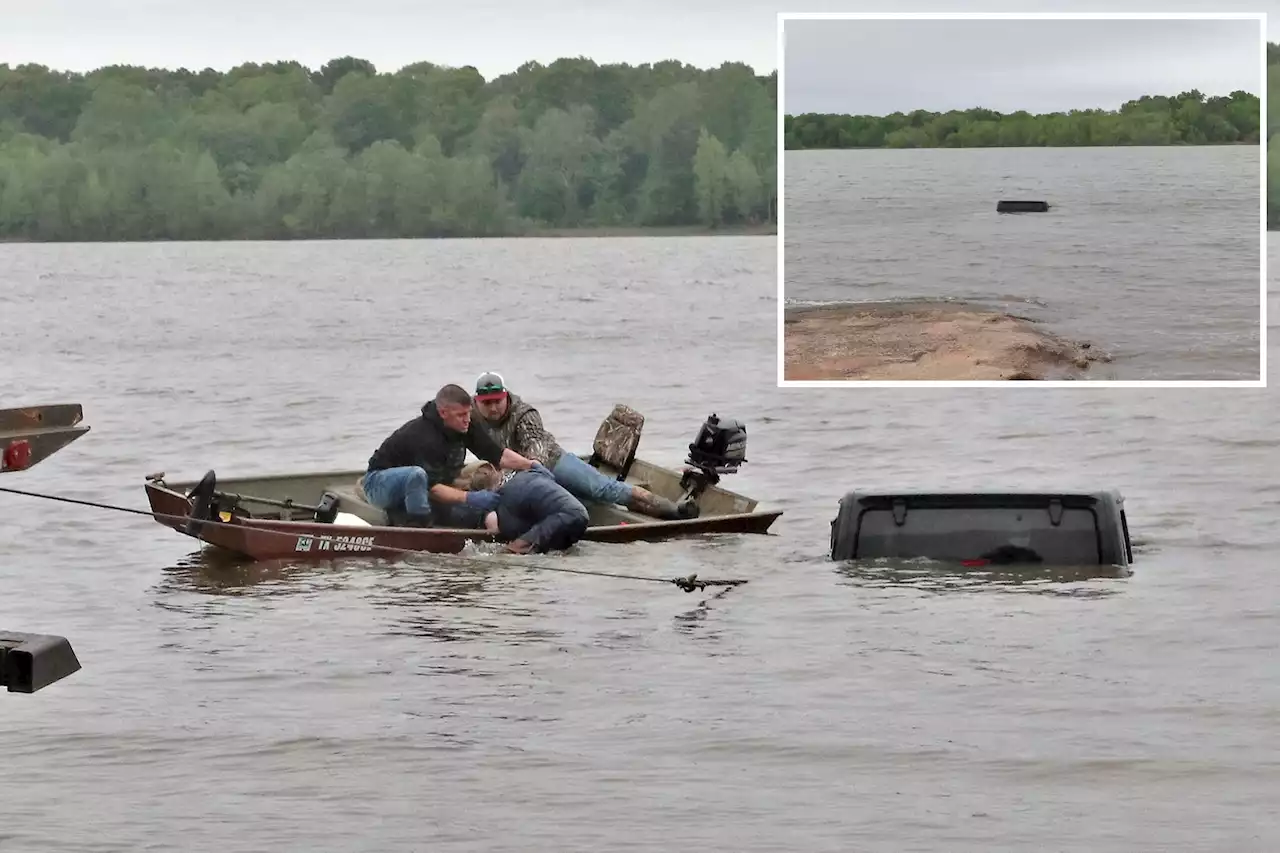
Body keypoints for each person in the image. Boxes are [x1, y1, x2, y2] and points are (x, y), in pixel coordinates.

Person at [470, 371, 693, 521]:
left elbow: (536, 452)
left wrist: (519, 475)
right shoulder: (469, 417)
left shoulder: (524, 414)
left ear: (506, 396)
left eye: (497, 401)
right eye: (486, 403)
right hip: (516, 476)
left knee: (602, 489)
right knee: (586, 503)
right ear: (476, 402)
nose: (493, 408)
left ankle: (672, 509)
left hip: (551, 462)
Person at [362, 384, 536, 528]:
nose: (467, 419)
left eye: (469, 413)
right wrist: (470, 498)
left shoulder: (466, 424)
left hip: (430, 483)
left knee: (481, 478)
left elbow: (498, 455)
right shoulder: (424, 437)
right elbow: (433, 488)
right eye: (461, 415)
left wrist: (531, 465)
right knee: (416, 476)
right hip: (379, 483)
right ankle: (418, 526)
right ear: (443, 413)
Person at [465, 461, 591, 554]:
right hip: (581, 515)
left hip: (562, 518)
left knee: (508, 551)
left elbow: (499, 529)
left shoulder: (504, 498)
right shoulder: (533, 473)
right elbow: (541, 468)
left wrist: (486, 513)